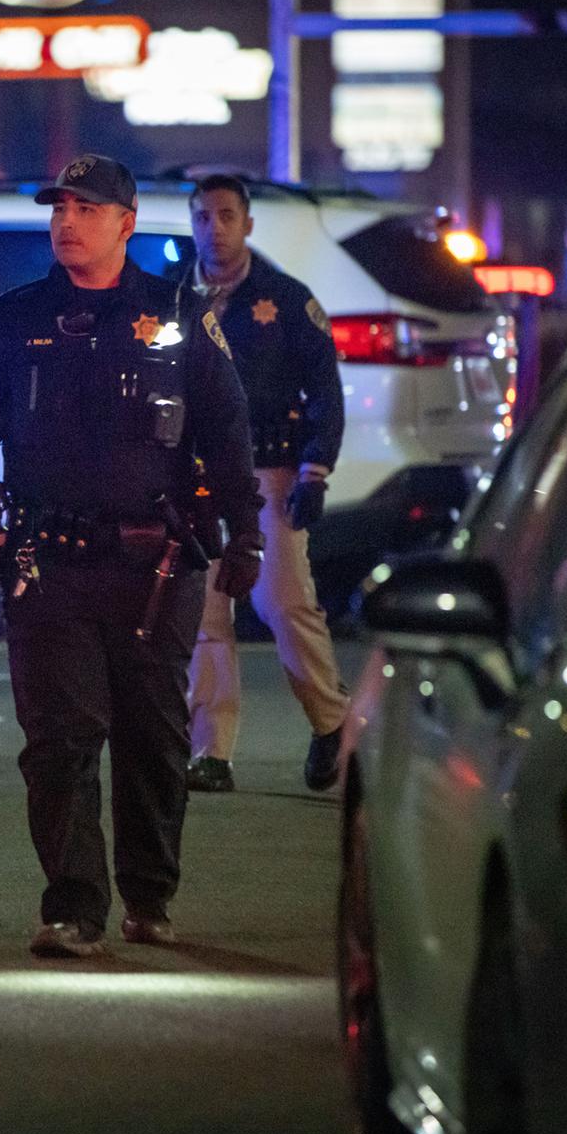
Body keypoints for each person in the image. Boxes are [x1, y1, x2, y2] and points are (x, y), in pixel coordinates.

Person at [0, 154, 263, 959]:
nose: (66, 222)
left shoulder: (178, 314)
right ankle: (73, 906)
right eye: (59, 208)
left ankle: (149, 895)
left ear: (126, 223)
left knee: (152, 736)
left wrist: (244, 533)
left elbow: (227, 431)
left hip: (155, 565)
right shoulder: (16, 317)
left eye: (86, 209)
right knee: (60, 740)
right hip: (48, 563)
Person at [183, 174, 349, 795]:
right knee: (204, 611)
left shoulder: (285, 300)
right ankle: (212, 751)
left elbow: (325, 392)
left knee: (280, 601)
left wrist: (315, 470)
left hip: (268, 472)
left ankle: (330, 720)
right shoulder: (175, 299)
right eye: (203, 217)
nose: (214, 229)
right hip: (197, 478)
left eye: (227, 216)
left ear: (248, 224)